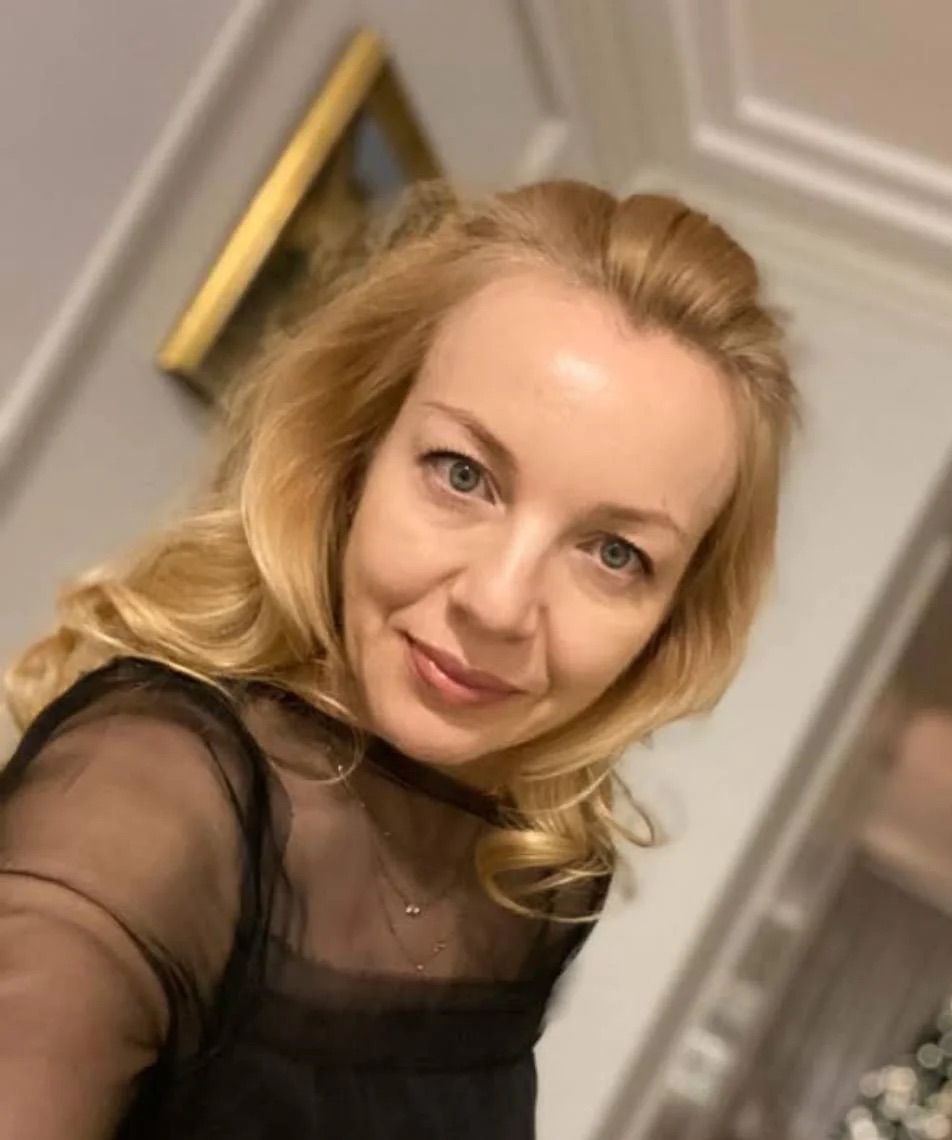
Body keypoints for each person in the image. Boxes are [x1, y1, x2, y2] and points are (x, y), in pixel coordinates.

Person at [0, 179, 796, 1139]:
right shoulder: (153, 800)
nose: (497, 603)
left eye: (613, 554)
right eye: (463, 475)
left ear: (671, 624)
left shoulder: (525, 883)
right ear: (355, 455)